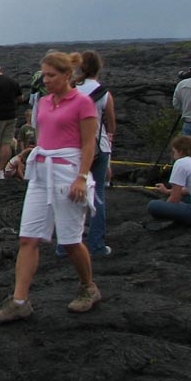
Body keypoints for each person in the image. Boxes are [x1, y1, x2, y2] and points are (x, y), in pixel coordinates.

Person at [0, 51, 101, 323]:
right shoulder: (45, 103)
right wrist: (27, 156)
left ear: (67, 75)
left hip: (68, 173)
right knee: (28, 238)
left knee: (71, 241)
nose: (46, 81)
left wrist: (82, 178)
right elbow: (44, 138)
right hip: (41, 174)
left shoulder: (83, 103)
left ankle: (89, 287)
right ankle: (19, 301)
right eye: (44, 75)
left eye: (51, 76)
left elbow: (89, 145)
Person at [74, 51, 117, 258]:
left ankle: (68, 245)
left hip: (74, 147)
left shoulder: (71, 90)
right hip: (99, 147)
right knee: (98, 195)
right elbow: (111, 123)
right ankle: (97, 245)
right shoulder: (104, 93)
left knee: (72, 195)